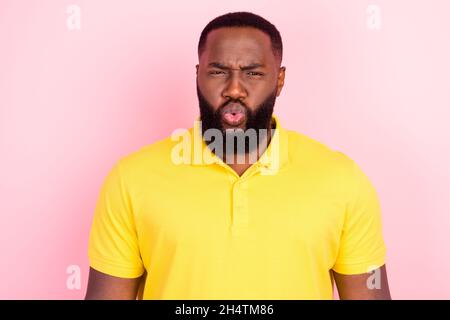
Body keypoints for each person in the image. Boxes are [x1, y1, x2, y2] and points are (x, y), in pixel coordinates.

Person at [85, 11, 391, 300]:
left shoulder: (341, 179)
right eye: (218, 72)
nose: (234, 89)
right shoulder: (131, 178)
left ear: (279, 80)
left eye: (253, 73)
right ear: (198, 75)